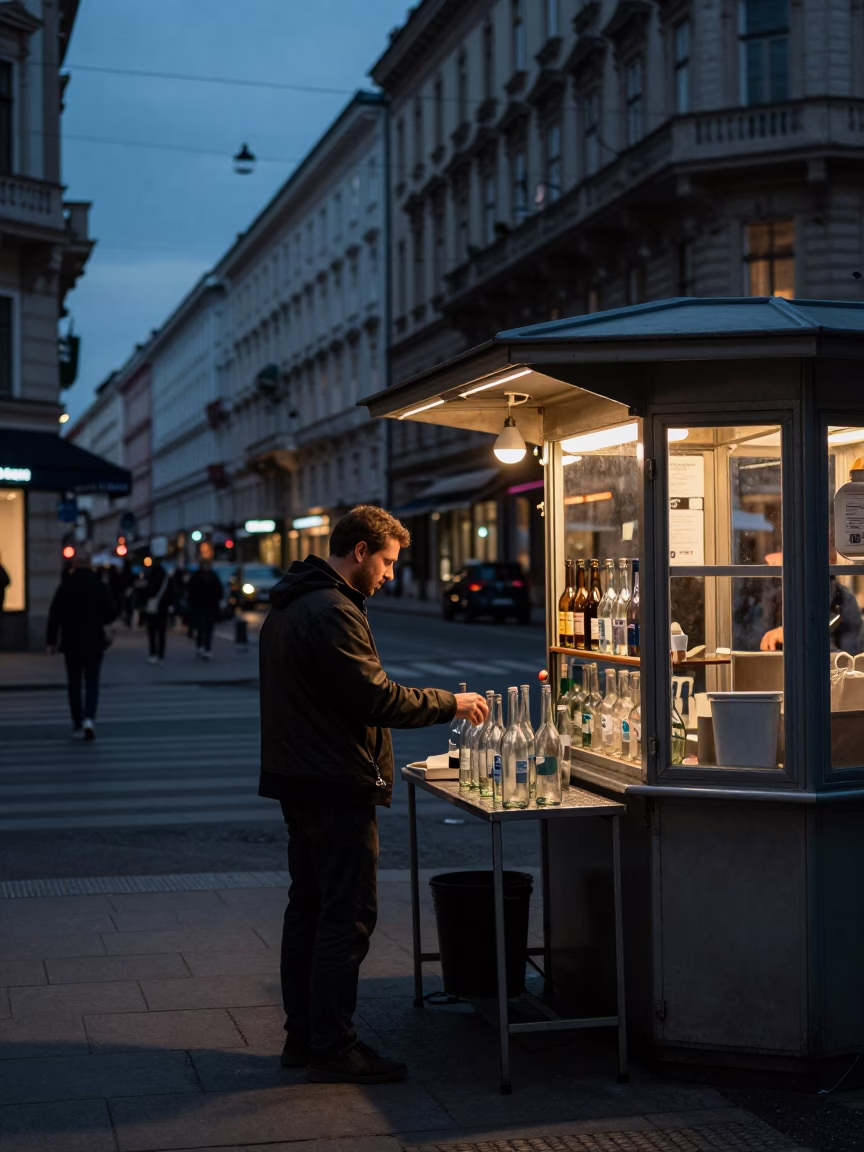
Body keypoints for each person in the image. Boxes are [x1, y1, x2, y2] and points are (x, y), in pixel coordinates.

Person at [258, 505, 487, 1085]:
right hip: (334, 782)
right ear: (359, 550)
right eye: (385, 561)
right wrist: (449, 703)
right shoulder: (331, 609)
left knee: (307, 908)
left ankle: (302, 1038)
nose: (389, 574)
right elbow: (375, 698)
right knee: (346, 916)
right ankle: (333, 1047)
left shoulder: (293, 602)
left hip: (300, 778)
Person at [46, 547, 117, 740]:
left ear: (75, 564)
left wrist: (51, 640)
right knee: (92, 682)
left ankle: (77, 722)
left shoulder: (66, 585)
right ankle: (89, 719)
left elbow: (55, 615)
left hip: (72, 642)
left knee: (74, 683)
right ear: (90, 564)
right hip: (94, 641)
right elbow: (111, 612)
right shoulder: (99, 585)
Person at [187, 559, 225, 658]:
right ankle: (200, 646)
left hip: (210, 606)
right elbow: (191, 590)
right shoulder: (196, 576)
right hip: (199, 606)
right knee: (200, 627)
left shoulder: (213, 576)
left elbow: (219, 590)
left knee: (209, 628)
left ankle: (207, 647)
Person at [142, 559, 172, 664]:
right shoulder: (166, 577)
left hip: (152, 606)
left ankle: (153, 652)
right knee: (161, 632)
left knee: (152, 631)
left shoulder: (150, 576)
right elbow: (171, 592)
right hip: (163, 607)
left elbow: (146, 591)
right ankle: (161, 653)